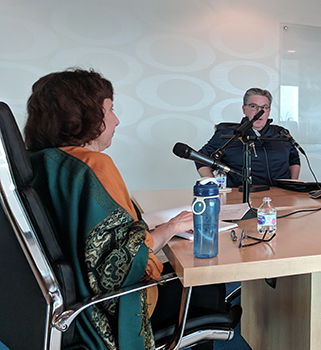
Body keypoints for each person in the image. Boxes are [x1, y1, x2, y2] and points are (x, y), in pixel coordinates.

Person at [25, 69, 226, 350]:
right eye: (109, 110)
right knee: (206, 285)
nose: (116, 120)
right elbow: (119, 266)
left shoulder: (41, 162)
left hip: (66, 309)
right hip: (111, 313)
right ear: (85, 116)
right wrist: (172, 227)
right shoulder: (92, 166)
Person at [196, 88, 300, 187]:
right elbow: (200, 158)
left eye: (264, 107)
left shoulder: (280, 133)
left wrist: (292, 185)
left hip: (281, 196)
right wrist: (214, 186)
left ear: (269, 111)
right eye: (254, 106)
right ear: (244, 109)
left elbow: (294, 159)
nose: (259, 112)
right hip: (242, 197)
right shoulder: (227, 134)